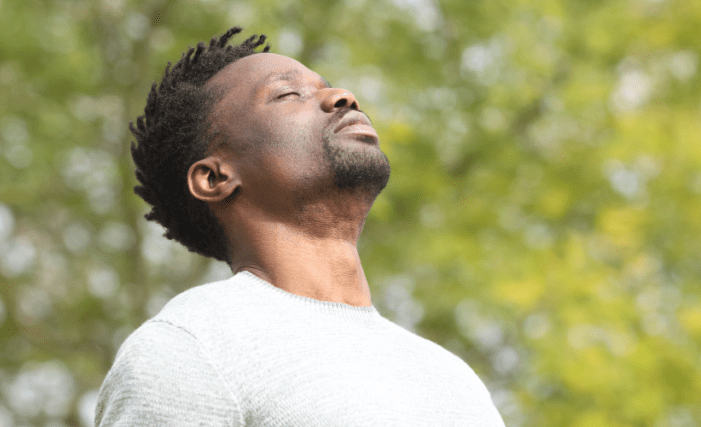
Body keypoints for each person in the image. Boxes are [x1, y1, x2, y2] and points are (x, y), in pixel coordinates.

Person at [94, 26, 506, 426]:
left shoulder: (452, 379)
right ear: (215, 178)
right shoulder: (190, 346)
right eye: (288, 94)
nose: (342, 96)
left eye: (327, 86)